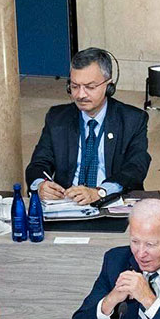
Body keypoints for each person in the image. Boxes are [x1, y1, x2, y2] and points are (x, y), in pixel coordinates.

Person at [26, 47, 150, 204]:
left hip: (111, 201)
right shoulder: (57, 118)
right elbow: (39, 163)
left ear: (109, 86)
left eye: (90, 87)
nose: (80, 95)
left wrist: (100, 192)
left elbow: (136, 167)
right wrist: (40, 185)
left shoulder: (133, 119)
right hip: (68, 202)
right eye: (75, 86)